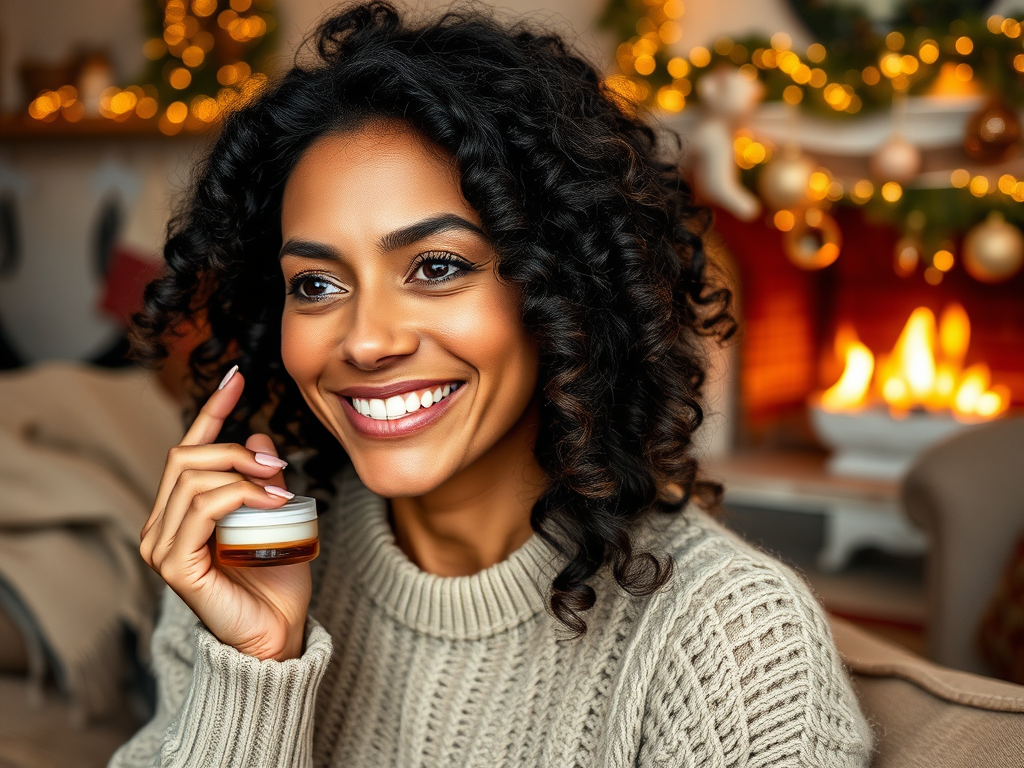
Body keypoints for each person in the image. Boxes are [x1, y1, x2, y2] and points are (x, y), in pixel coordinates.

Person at [111, 1, 874, 765]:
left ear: (563, 289)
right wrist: (255, 669)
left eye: (436, 267)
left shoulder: (731, 639)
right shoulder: (249, 557)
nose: (367, 341)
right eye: (314, 285)